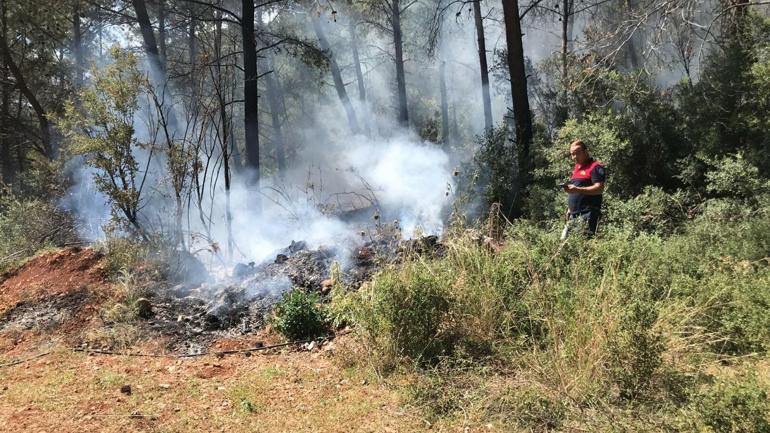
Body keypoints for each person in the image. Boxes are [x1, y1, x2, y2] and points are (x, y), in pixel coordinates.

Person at [561, 139, 606, 238]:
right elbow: (576, 190)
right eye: (572, 154)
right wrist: (569, 209)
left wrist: (577, 189)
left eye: (577, 153)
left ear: (586, 152)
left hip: (587, 214)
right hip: (574, 215)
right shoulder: (577, 168)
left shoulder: (595, 167)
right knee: (565, 244)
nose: (574, 157)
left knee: (582, 247)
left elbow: (599, 188)